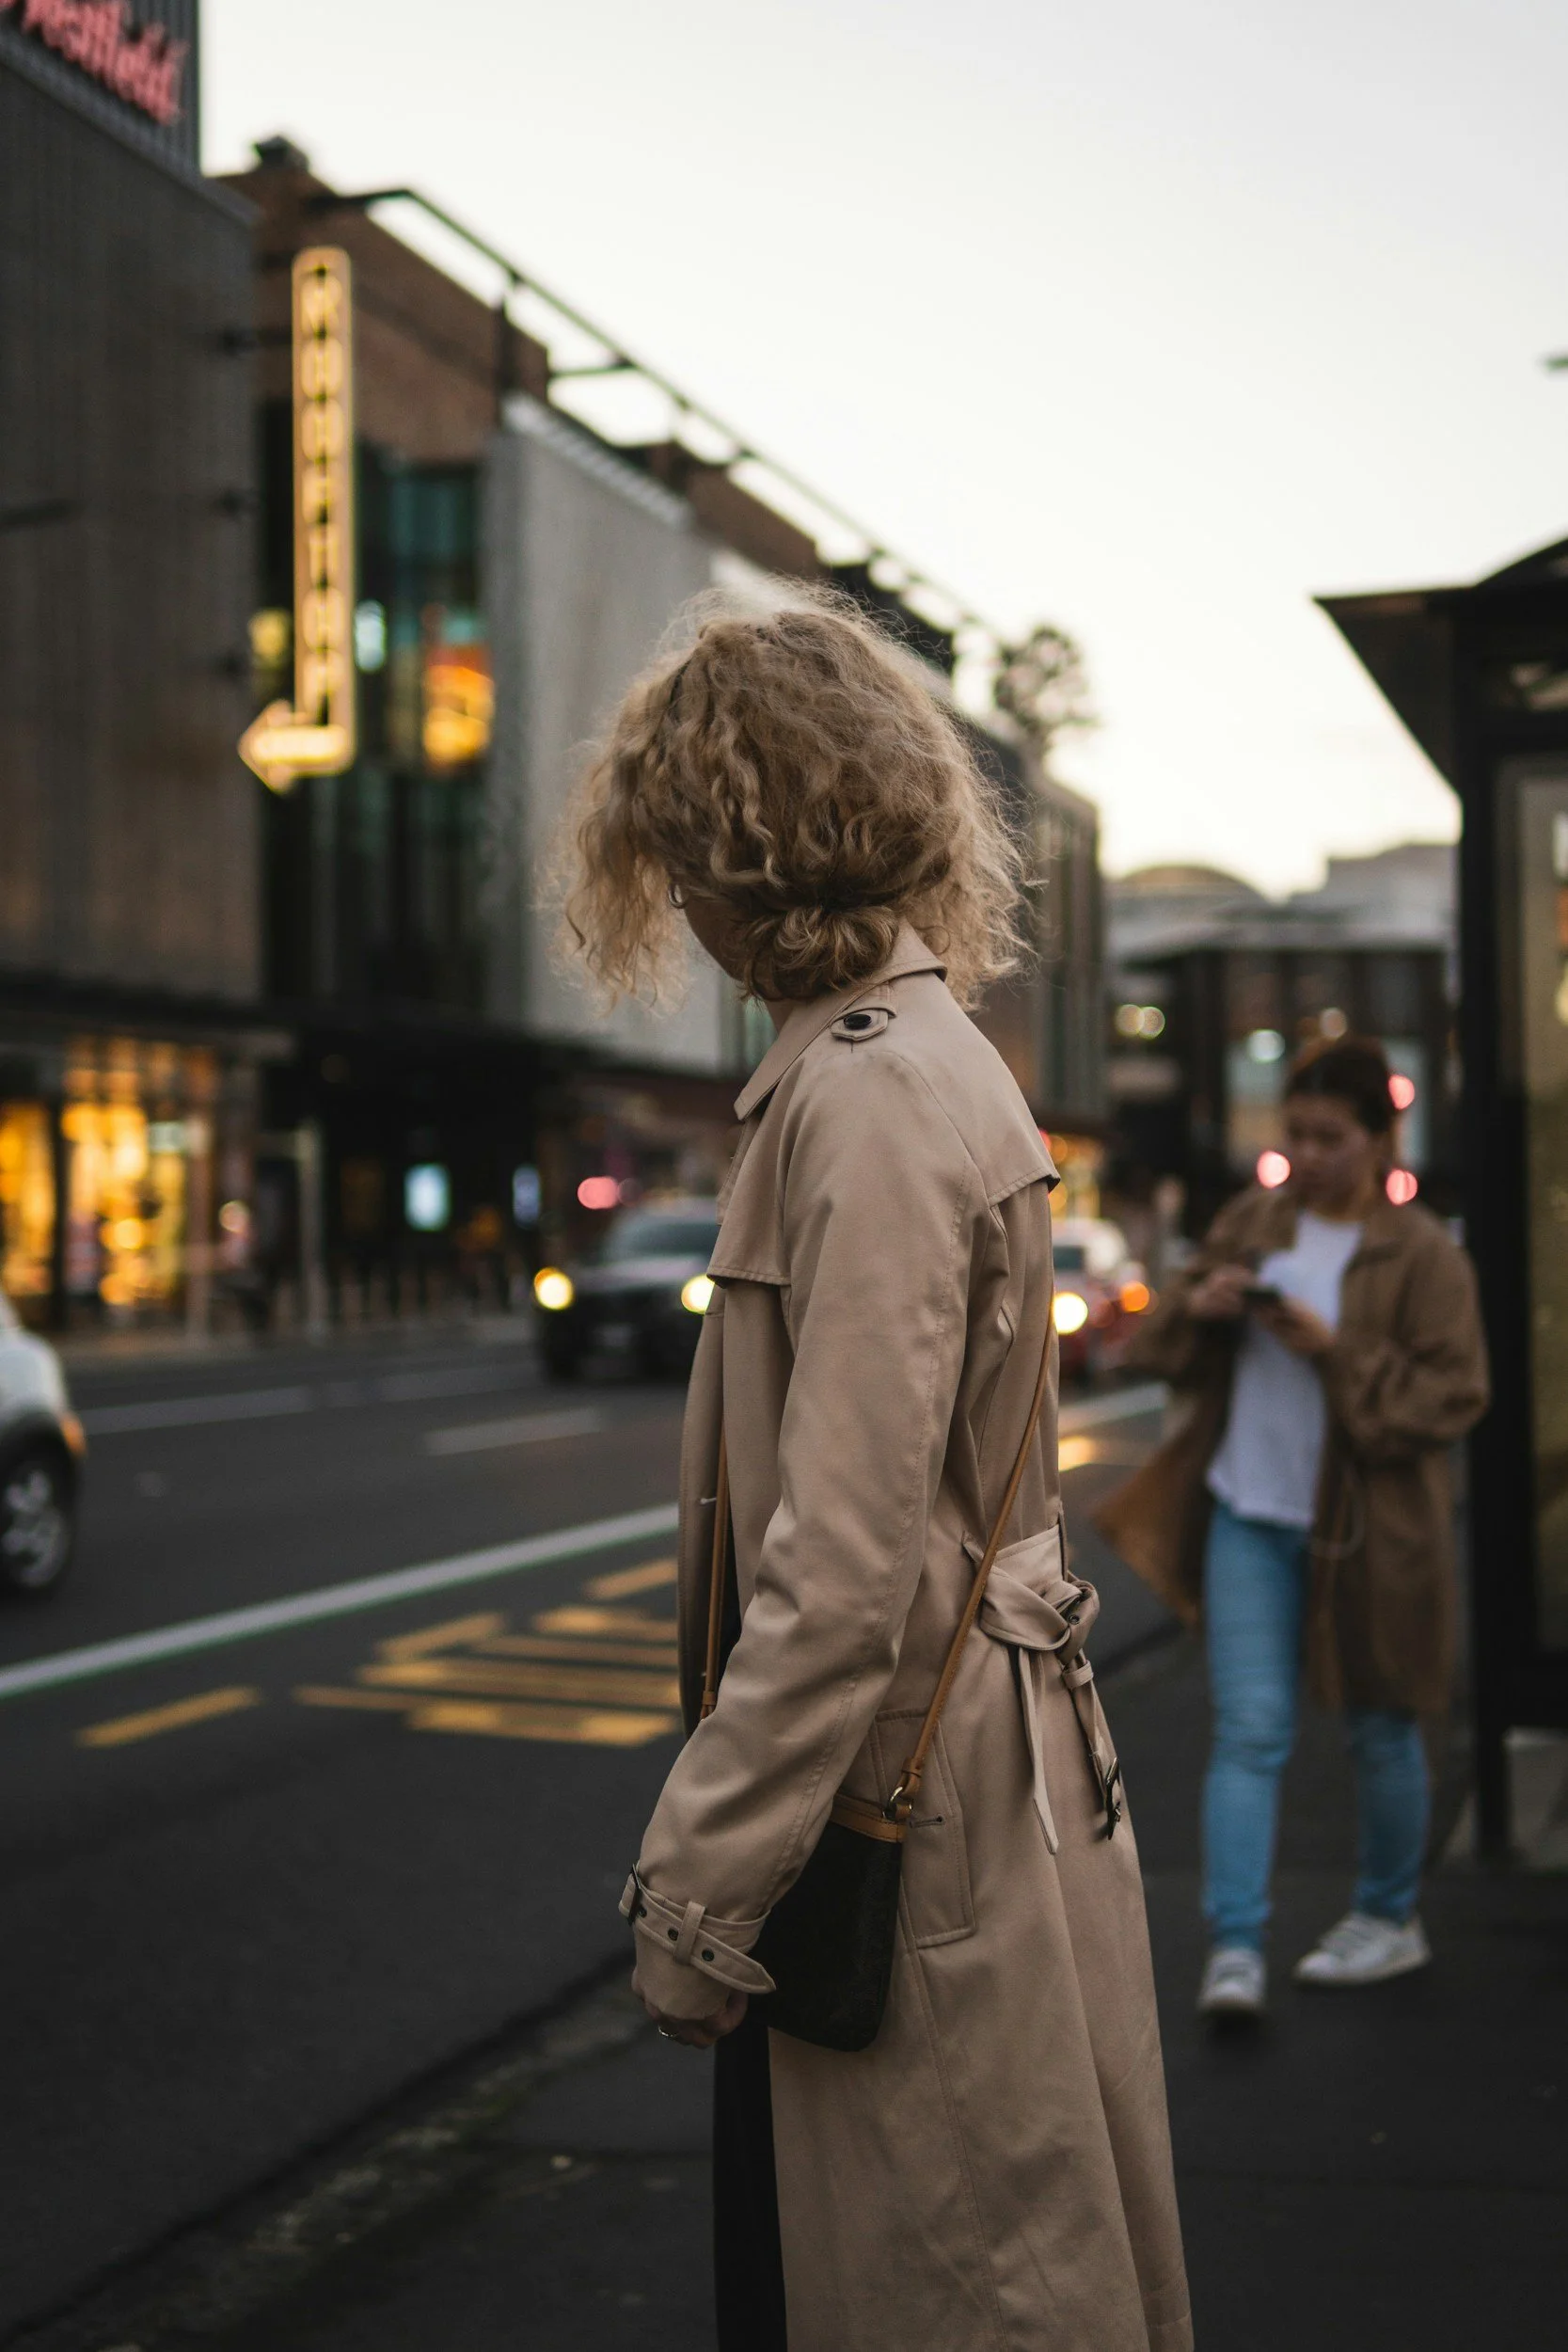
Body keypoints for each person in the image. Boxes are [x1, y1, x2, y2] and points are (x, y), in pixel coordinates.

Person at [562, 591, 1191, 2352]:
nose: (676, 905)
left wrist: (695, 1892)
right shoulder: (927, 1063)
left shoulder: (861, 1095)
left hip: (909, 1822)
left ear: (756, 839)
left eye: (685, 854)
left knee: (939, 2278)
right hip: (969, 1779)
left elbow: (837, 1576)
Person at [1095, 1038, 1489, 2018]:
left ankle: (1388, 1916)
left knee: (1381, 1723)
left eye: (1328, 1137)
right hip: (1246, 1512)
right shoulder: (1252, 1221)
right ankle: (1234, 1945)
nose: (1306, 1155)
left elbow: (1453, 1397)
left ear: (1378, 1138)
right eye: (1294, 1134)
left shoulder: (1422, 1253)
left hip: (1368, 1532)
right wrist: (1204, 1301)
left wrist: (1332, 1349)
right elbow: (1154, 1345)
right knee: (1250, 1730)